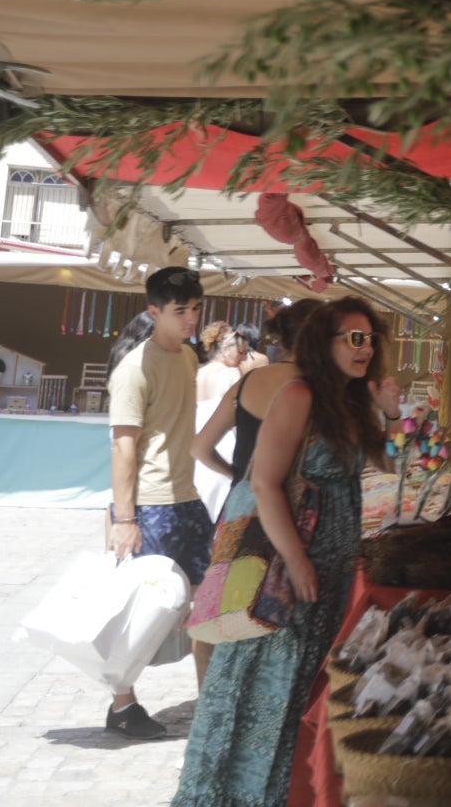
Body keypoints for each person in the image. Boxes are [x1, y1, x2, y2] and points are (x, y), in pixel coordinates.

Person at [173, 297, 401, 807]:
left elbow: (387, 465)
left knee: (299, 682)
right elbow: (265, 481)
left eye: (371, 339)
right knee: (262, 678)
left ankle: (284, 792)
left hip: (331, 563)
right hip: (288, 560)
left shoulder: (347, 400)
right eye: (353, 338)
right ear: (324, 342)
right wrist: (296, 558)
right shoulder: (298, 393)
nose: (365, 349)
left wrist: (391, 415)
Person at [103, 266, 209, 740]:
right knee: (141, 613)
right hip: (151, 506)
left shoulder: (188, 357)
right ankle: (122, 705)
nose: (190, 318)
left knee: (208, 603)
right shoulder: (133, 370)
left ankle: (211, 701)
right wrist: (124, 519)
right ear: (154, 312)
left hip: (188, 499)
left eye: (195, 308)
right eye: (180, 310)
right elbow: (123, 446)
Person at [193, 299, 323, 513]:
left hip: (241, 510)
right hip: (293, 511)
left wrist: (237, 475)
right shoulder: (316, 387)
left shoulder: (249, 380)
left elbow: (199, 448)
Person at [194, 323, 246, 521]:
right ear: (225, 349)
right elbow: (237, 418)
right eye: (240, 353)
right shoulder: (231, 375)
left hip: (197, 439)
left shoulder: (198, 373)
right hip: (223, 442)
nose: (242, 358)